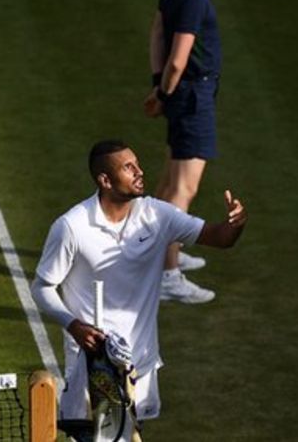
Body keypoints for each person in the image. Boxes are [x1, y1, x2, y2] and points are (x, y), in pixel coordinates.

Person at [30, 140, 247, 425]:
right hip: (93, 366)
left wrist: (236, 224)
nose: (139, 172)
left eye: (138, 164)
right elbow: (42, 287)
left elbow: (219, 238)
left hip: (140, 363)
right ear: (105, 180)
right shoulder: (72, 226)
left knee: (133, 433)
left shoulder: (158, 215)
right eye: (129, 167)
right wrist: (73, 325)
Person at [143, 0, 236, 303]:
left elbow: (156, 33)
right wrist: (164, 93)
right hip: (192, 96)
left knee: (169, 183)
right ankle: (167, 275)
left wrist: (157, 85)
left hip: (185, 96)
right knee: (183, 189)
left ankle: (162, 254)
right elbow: (179, 58)